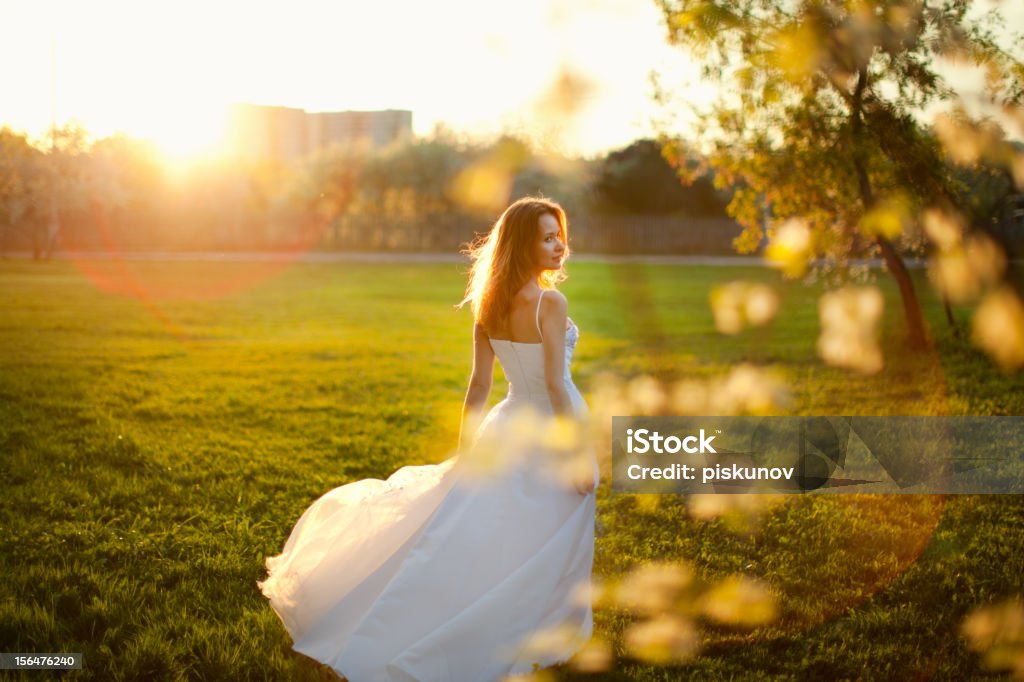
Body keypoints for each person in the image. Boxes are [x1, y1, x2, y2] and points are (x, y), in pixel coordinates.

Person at [257, 196, 598, 681]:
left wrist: (470, 450)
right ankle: (537, 630)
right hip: (546, 430)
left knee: (516, 532)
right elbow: (555, 387)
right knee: (553, 528)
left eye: (559, 233)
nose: (559, 244)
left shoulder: (490, 303)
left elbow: (479, 389)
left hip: (507, 423)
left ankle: (529, 623)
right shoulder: (549, 302)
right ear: (523, 245)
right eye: (547, 236)